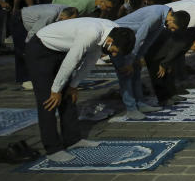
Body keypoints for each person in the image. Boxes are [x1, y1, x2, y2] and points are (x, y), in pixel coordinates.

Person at [25, 18, 135, 161]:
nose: (112, 55)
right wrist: (56, 90)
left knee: (69, 97)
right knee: (48, 100)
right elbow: (71, 61)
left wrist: (73, 86)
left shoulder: (114, 31)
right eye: (113, 51)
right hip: (41, 50)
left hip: (60, 51)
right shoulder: (91, 33)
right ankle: (53, 149)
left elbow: (90, 61)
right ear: (110, 41)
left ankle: (73, 140)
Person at [114, 5, 189, 119]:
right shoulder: (155, 15)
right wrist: (130, 60)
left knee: (136, 71)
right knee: (126, 73)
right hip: (116, 38)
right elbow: (140, 37)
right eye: (173, 27)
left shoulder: (162, 19)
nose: (171, 30)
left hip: (129, 40)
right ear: (172, 19)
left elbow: (148, 41)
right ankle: (131, 109)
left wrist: (138, 57)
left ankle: (140, 104)